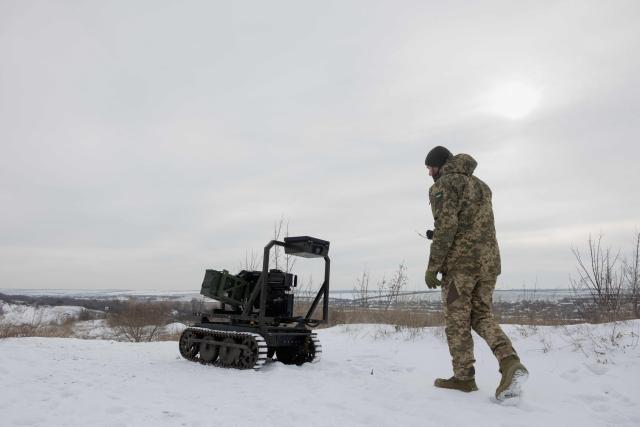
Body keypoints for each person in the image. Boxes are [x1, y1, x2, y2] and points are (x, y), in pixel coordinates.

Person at [424, 146, 528, 401]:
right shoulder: (481, 185)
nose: (429, 173)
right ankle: (509, 361)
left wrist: (433, 266)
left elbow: (448, 226)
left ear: (439, 165)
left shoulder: (443, 185)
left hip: (461, 267)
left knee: (457, 321)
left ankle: (464, 377)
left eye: (430, 168)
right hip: (489, 263)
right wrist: (439, 235)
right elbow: (470, 224)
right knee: (481, 315)